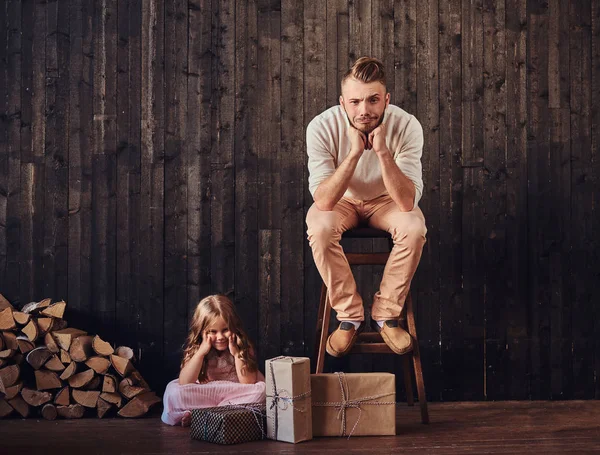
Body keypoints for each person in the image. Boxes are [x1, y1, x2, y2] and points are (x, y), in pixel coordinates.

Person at [306, 56, 427, 358]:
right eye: (355, 101)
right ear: (342, 102)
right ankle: (349, 317)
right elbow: (323, 201)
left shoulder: (407, 125)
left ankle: (386, 315)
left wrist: (383, 152)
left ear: (386, 99)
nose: (364, 110)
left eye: (373, 100)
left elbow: (406, 202)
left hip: (387, 201)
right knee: (319, 228)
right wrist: (354, 153)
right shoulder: (321, 126)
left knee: (414, 228)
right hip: (341, 201)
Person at [161, 294, 265, 426]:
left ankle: (203, 415)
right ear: (202, 331)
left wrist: (236, 354)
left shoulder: (242, 346)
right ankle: (217, 415)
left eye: (225, 330)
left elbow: (248, 381)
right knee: (174, 393)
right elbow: (185, 382)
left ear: (234, 326)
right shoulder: (197, 348)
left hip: (235, 393)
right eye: (213, 331)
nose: (220, 337)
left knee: (262, 392)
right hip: (206, 393)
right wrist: (201, 353)